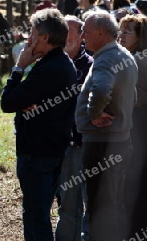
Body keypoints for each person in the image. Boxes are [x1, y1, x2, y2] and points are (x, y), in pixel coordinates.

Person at [1, 8, 78, 241]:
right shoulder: (57, 64)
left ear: (45, 38)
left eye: (33, 33)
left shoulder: (49, 69)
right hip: (49, 150)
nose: (29, 38)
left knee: (36, 219)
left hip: (38, 153)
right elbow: (19, 102)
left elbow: (7, 102)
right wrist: (23, 99)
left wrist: (19, 68)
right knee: (39, 214)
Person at [76, 11, 137, 241]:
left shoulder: (106, 58)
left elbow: (101, 89)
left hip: (102, 143)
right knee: (112, 201)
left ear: (100, 33)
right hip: (118, 140)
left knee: (98, 206)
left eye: (86, 31)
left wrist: (94, 114)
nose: (82, 36)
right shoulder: (123, 55)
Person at [55, 15, 93, 241]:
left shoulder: (89, 66)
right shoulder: (49, 64)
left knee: (89, 202)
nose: (64, 38)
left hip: (81, 142)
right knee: (67, 204)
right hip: (56, 143)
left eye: (69, 33)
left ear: (81, 37)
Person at [118, 15, 147, 238]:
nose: (122, 35)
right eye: (121, 30)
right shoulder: (129, 58)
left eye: (128, 31)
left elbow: (141, 96)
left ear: (140, 36)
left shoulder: (139, 61)